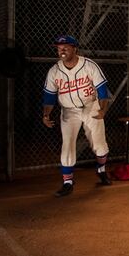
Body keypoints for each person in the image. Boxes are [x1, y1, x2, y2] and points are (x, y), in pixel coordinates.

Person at [42, 35, 112, 197]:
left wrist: (103, 110)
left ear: (75, 49)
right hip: (69, 111)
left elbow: (102, 90)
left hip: (91, 107)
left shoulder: (89, 65)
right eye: (59, 48)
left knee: (99, 145)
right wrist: (46, 114)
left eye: (66, 47)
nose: (62, 50)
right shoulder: (54, 71)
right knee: (67, 145)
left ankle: (101, 170)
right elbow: (49, 96)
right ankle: (68, 182)